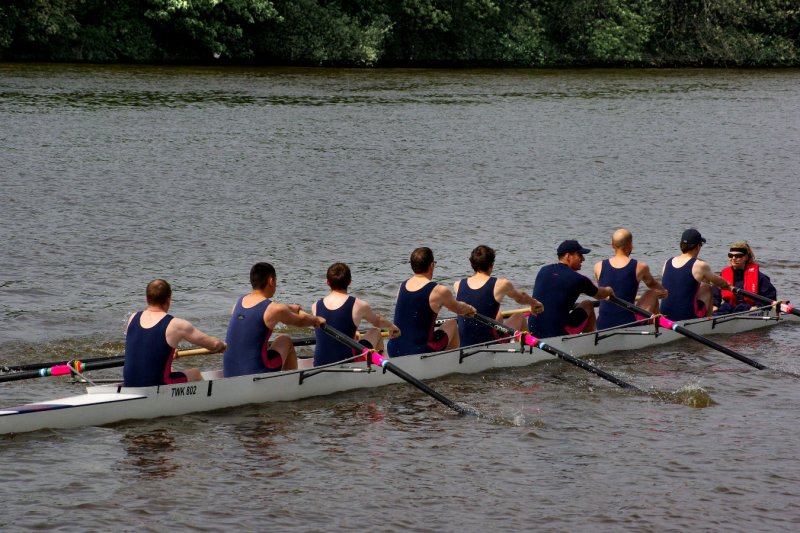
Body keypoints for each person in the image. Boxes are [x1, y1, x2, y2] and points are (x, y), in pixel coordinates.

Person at [223, 262, 325, 378]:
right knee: (285, 340)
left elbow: (268, 309)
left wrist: (291, 307)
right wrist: (316, 319)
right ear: (271, 281)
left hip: (229, 372)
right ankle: (290, 383)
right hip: (258, 372)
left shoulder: (238, 303)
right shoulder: (275, 309)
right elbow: (301, 321)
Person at [124, 279, 226, 387]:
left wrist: (167, 352)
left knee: (170, 369)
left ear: (147, 299)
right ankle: (207, 401)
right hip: (158, 385)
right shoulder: (176, 325)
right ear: (168, 300)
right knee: (195, 372)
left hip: (129, 384)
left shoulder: (133, 317)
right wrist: (222, 345)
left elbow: (145, 345)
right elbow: (213, 345)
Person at [386, 247, 476, 357]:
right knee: (452, 324)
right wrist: (470, 309)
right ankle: (451, 362)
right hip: (419, 352)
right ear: (431, 265)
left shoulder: (402, 286)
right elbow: (459, 309)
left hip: (393, 349)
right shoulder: (438, 290)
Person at [312, 262, 401, 366]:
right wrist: (393, 327)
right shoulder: (358, 305)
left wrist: (353, 334)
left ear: (327, 282)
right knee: (376, 332)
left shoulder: (315, 306)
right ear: (349, 282)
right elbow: (378, 322)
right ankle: (380, 369)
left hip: (319, 363)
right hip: (348, 362)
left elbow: (336, 323)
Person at [454, 245, 544, 347]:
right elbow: (521, 297)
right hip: (489, 343)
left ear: (472, 264)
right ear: (491, 265)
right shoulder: (500, 284)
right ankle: (530, 350)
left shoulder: (458, 285)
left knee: (499, 315)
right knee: (519, 317)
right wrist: (534, 303)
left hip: (465, 344)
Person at [528, 240, 614, 339]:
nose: (583, 259)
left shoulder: (543, 270)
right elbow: (600, 295)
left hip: (533, 331)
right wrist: (609, 290)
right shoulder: (578, 279)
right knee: (588, 304)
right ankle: (589, 343)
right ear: (568, 256)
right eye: (580, 255)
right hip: (557, 334)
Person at [593, 228, 668, 329]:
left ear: (612, 245)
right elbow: (655, 287)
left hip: (602, 324)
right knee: (652, 293)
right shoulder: (640, 266)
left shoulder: (598, 266)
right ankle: (657, 330)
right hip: (628, 323)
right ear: (630, 245)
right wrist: (664, 292)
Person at [659, 229, 732, 321]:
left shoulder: (667, 262)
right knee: (707, 288)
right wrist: (727, 285)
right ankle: (708, 322)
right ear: (698, 246)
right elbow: (720, 283)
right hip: (687, 317)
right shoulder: (700, 265)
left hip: (665, 317)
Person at [712, 241, 777, 315]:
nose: (733, 258)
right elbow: (715, 294)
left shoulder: (759, 277)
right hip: (728, 307)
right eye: (730, 255)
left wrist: (758, 306)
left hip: (748, 309)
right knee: (721, 310)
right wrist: (714, 305)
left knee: (740, 308)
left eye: (738, 256)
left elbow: (770, 295)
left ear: (746, 257)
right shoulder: (724, 275)